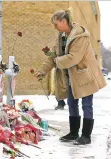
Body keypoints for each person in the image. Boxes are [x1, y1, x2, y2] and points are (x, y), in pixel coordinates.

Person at [35, 8, 107, 145]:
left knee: (87, 105)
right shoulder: (61, 37)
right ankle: (74, 133)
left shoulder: (80, 35)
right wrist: (43, 71)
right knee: (72, 104)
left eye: (56, 24)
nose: (54, 27)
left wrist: (57, 61)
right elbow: (53, 56)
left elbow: (73, 58)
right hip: (70, 78)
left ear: (63, 21)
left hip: (85, 75)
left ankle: (86, 136)